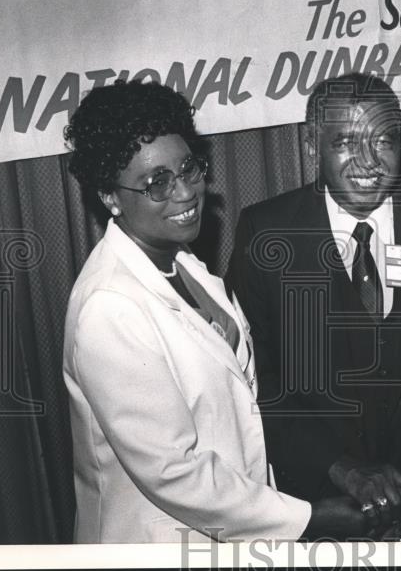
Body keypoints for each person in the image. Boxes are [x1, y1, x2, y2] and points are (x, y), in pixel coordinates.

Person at [61, 80, 365, 542]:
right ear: (110, 197)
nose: (185, 192)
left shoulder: (185, 264)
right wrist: (309, 518)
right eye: (156, 183)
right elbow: (174, 472)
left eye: (188, 169)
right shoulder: (108, 309)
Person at [228, 73, 401, 534]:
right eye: (346, 142)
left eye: (383, 140)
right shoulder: (265, 232)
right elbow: (254, 377)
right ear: (312, 146)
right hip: (318, 501)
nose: (369, 161)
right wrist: (339, 469)